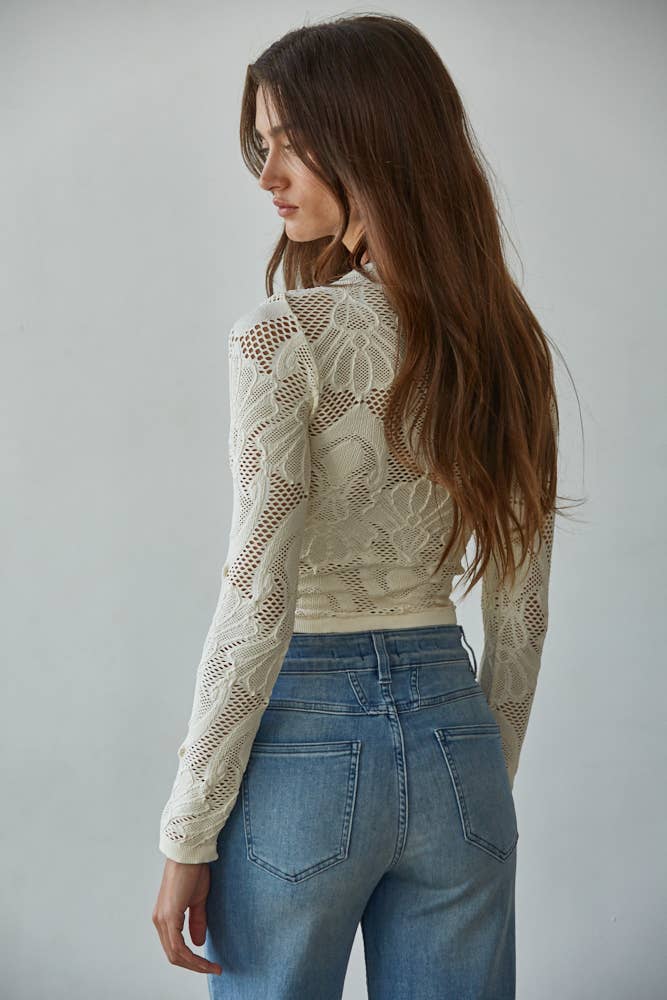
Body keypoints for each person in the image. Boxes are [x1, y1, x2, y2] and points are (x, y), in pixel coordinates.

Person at [152, 13, 576, 999]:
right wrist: (475, 782)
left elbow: (258, 595)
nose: (267, 174)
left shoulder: (282, 335)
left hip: (305, 736)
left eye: (294, 143)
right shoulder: (509, 344)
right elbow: (521, 613)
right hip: (459, 739)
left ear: (373, 140)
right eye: (263, 144)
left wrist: (187, 829)